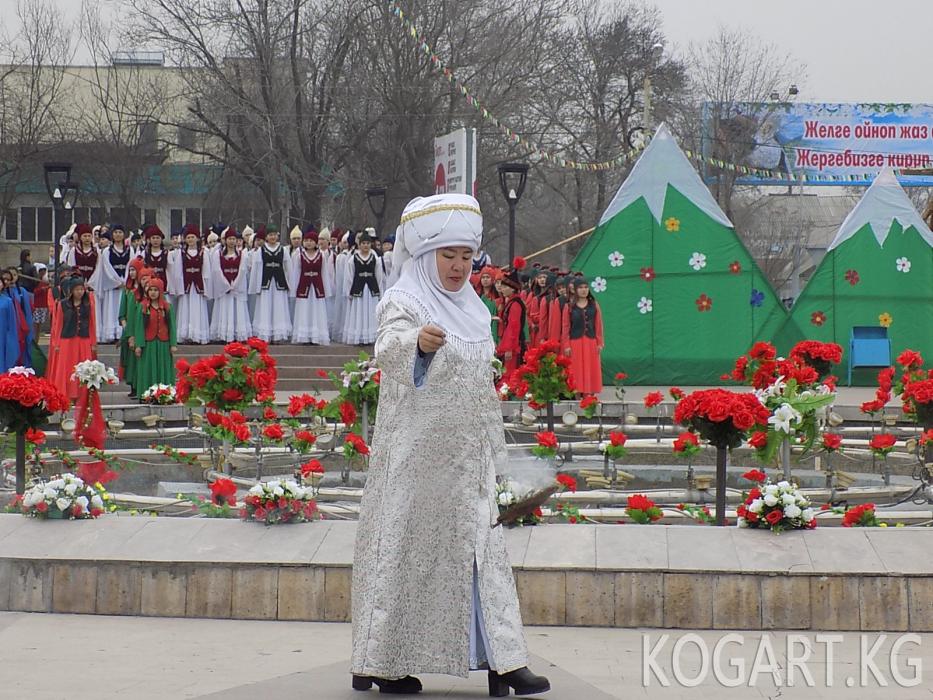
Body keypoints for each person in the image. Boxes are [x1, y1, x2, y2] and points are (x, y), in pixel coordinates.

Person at [351, 193, 549, 697]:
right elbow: (387, 348)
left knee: (482, 551)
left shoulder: (476, 311)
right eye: (448, 256)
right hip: (417, 458)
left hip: (468, 459)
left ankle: (503, 661)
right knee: (407, 551)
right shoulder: (406, 301)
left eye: (466, 256)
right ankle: (385, 659)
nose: (459, 267)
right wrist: (416, 344)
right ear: (424, 256)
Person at [47, 276, 96, 401]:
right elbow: (59, 325)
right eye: (77, 289)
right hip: (67, 340)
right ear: (72, 291)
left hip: (83, 340)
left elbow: (92, 324)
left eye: (82, 289)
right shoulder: (63, 305)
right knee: (67, 368)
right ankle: (66, 395)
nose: (80, 292)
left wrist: (93, 342)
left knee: (83, 367)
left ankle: (82, 395)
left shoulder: (88, 304)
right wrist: (56, 343)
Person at [247, 224, 292, 341]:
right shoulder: (260, 251)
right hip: (265, 283)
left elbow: (288, 268)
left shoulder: (283, 250)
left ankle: (278, 334)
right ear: (266, 237)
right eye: (270, 235)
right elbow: (256, 270)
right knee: (265, 307)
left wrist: (290, 284)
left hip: (279, 283)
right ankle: (265, 333)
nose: (272, 237)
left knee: (279, 306)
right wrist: (255, 287)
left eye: (274, 235)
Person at [168, 223, 211, 344]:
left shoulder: (203, 252)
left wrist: (205, 287)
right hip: (186, 286)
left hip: (198, 286)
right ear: (185, 239)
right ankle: (185, 334)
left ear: (197, 238)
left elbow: (206, 271)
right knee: (185, 308)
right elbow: (177, 272)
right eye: (188, 237)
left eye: (193, 237)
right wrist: (179, 287)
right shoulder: (180, 253)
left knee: (197, 308)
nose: (190, 239)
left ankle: (197, 334)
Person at [134, 277, 176, 395]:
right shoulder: (142, 307)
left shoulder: (167, 307)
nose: (153, 292)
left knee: (163, 368)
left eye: (156, 290)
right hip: (148, 343)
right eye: (151, 290)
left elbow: (172, 326)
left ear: (161, 292)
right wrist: (139, 345)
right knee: (147, 368)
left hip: (163, 343)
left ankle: (165, 393)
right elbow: (139, 327)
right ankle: (147, 393)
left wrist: (173, 344)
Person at [561, 276, 604, 395]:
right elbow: (565, 327)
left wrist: (600, 343)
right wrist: (566, 345)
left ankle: (589, 396)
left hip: (590, 342)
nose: (584, 290)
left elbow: (598, 325)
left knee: (591, 369)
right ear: (575, 289)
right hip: (575, 343)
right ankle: (577, 396)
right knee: (576, 370)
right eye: (580, 288)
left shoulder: (594, 305)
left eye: (586, 287)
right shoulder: (569, 306)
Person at [89, 224, 131, 343]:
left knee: (124, 309)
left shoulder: (130, 250)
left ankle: (123, 334)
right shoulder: (107, 251)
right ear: (112, 235)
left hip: (125, 285)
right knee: (111, 309)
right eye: (116, 232)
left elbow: (130, 265)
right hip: (112, 286)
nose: (118, 234)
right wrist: (116, 281)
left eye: (120, 232)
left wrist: (126, 280)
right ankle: (111, 334)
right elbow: (106, 268)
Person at [208, 227, 252, 342]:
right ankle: (223, 335)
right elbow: (216, 270)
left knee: (237, 308)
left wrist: (235, 284)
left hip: (236, 287)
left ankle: (238, 334)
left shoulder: (242, 254)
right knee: (224, 308)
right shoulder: (218, 254)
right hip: (224, 288)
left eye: (234, 239)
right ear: (225, 240)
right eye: (229, 239)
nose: (232, 241)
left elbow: (243, 270)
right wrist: (226, 285)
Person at [290, 228, 333, 345]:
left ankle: (316, 336)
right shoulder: (299, 256)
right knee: (304, 310)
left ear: (316, 242)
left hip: (317, 287)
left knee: (316, 310)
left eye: (311, 240)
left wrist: (326, 291)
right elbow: (296, 273)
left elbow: (324, 273)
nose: (308, 243)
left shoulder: (322, 256)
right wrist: (294, 290)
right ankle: (303, 336)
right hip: (304, 285)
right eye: (306, 240)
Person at [341, 230, 383, 345]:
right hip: (358, 289)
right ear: (359, 244)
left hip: (371, 290)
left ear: (371, 245)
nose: (365, 245)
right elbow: (349, 276)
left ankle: (371, 337)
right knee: (358, 312)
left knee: (371, 312)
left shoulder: (375, 259)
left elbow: (379, 276)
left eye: (368, 243)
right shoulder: (353, 259)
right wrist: (349, 291)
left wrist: (379, 292)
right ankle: (358, 336)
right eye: (363, 243)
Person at [118, 259, 147, 397]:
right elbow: (122, 313)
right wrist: (126, 329)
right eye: (130, 270)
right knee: (130, 359)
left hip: (142, 330)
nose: (132, 272)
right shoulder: (127, 290)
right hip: (129, 330)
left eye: (134, 269)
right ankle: (133, 387)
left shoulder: (145, 290)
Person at [496, 265, 527, 375]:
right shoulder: (511, 302)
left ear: (512, 288)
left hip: (514, 345)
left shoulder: (515, 304)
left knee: (510, 373)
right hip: (511, 343)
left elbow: (513, 327)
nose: (502, 289)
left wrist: (509, 348)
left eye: (504, 287)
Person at [32, 265, 50, 338]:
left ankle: (37, 341)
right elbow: (34, 292)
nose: (43, 273)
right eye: (41, 271)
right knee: (35, 325)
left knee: (39, 325)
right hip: (36, 305)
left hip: (43, 305)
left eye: (44, 271)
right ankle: (34, 341)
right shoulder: (35, 281)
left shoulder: (46, 281)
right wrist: (42, 289)